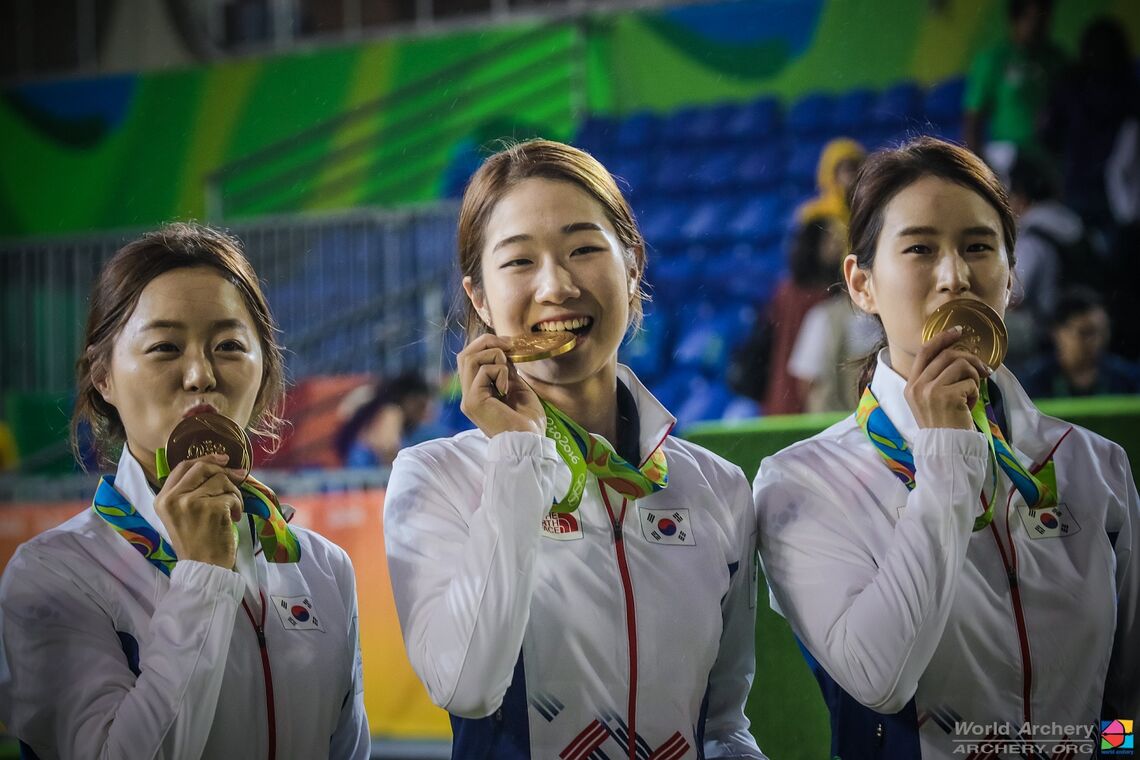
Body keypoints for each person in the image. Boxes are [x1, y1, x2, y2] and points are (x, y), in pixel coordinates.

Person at [753, 137, 1138, 759]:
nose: (955, 275)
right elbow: (879, 679)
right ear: (862, 283)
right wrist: (945, 461)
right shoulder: (801, 483)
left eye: (979, 247)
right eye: (920, 249)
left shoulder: (1094, 466)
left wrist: (1114, 753)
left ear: (1010, 278)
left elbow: (1127, 699)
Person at [384, 139, 765, 759]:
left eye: (584, 249)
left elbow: (722, 726)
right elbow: (467, 685)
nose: (556, 286)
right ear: (479, 297)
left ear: (632, 264)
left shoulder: (717, 488)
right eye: (518, 262)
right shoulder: (436, 479)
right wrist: (515, 457)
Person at [0, 223, 369, 758]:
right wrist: (203, 578)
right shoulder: (54, 575)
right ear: (102, 376)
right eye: (165, 347)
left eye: (228, 346)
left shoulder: (322, 567)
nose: (200, 375)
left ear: (264, 370)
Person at [962, 0, 1066, 182]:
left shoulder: (1057, 60)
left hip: (1049, 156)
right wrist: (979, 170)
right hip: (1008, 157)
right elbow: (973, 119)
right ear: (1015, 19)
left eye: (1045, 18)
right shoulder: (993, 60)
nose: (1040, 25)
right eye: (1034, 18)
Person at [1020, 286, 1140, 399]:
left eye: (1102, 332)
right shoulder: (1031, 382)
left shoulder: (1128, 380)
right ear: (1058, 332)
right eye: (1086, 332)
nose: (1096, 341)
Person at [335, 371, 442, 467]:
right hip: (363, 475)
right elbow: (389, 455)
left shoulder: (406, 422)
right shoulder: (392, 413)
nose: (423, 411)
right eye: (420, 405)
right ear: (408, 400)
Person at [795, 137, 866, 226]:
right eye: (849, 169)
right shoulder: (816, 217)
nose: (854, 176)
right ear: (832, 176)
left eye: (858, 168)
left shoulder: (869, 211)